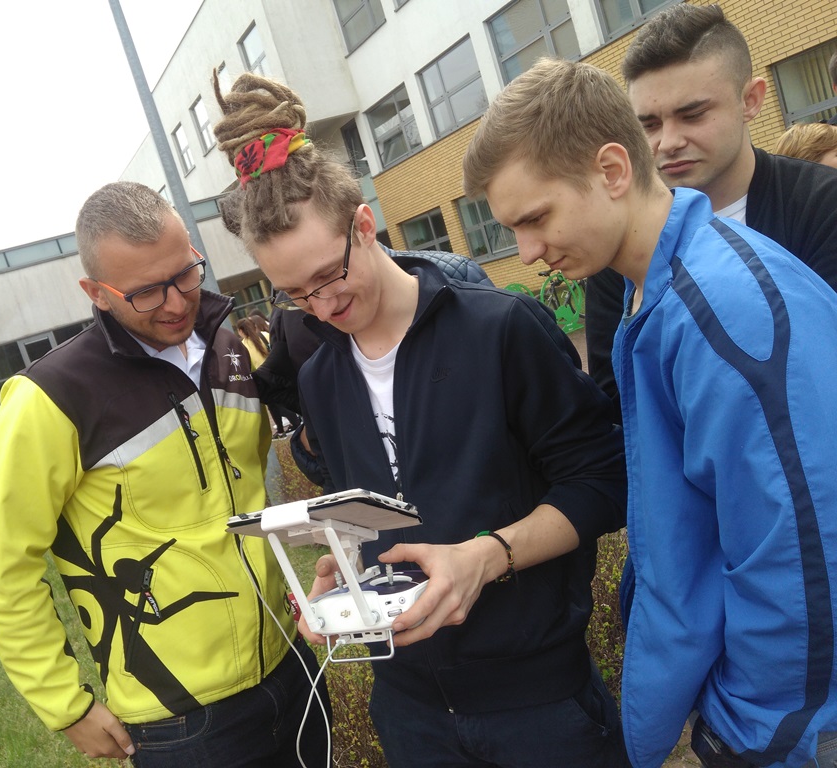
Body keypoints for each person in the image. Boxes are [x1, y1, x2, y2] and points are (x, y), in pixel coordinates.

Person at [214, 71, 628, 768]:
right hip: (408, 711)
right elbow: (374, 511)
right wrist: (346, 567)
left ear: (364, 225)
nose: (322, 307)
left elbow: (605, 482)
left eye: (330, 274)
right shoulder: (320, 377)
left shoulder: (501, 330)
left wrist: (488, 556)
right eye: (294, 294)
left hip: (538, 705)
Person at [463, 55, 837, 768]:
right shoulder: (658, 291)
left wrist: (749, 732)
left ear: (611, 170)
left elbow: (804, 558)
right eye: (512, 229)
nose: (527, 252)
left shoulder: (720, 309)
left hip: (785, 728)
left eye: (536, 218)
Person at [0, 181, 330, 767]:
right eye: (144, 292)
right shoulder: (50, 398)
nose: (175, 303)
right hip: (180, 721)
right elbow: (5, 564)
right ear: (96, 292)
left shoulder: (227, 347)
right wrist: (65, 705)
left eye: (185, 274)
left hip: (291, 663)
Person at [584, 3, 837, 419]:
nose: (668, 142)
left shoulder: (822, 204)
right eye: (649, 125)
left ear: (750, 100)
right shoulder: (619, 247)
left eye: (693, 115)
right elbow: (619, 398)